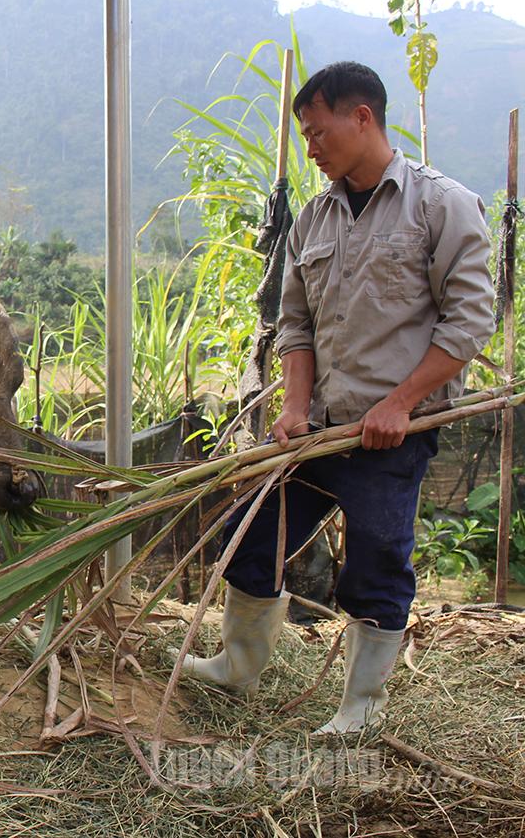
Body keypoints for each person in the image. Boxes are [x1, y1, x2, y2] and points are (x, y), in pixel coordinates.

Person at [180, 62, 496, 734]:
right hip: (316, 429)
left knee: (377, 554)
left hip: (389, 435)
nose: (312, 149)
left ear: (362, 118)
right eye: (303, 136)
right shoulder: (315, 219)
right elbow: (296, 324)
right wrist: (294, 406)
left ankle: (359, 707)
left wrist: (401, 403)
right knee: (248, 533)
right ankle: (239, 664)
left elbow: (469, 322)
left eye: (318, 132)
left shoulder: (440, 205)